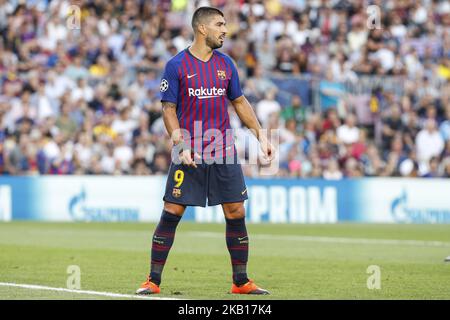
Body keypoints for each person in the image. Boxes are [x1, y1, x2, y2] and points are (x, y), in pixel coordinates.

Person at [136, 7, 274, 296]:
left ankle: (241, 282)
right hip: (189, 151)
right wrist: (181, 144)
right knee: (172, 210)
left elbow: (239, 102)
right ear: (202, 29)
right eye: (219, 24)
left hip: (223, 150)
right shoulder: (176, 66)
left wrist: (261, 135)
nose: (225, 29)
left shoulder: (227, 64)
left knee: (236, 210)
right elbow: (168, 109)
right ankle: (152, 281)